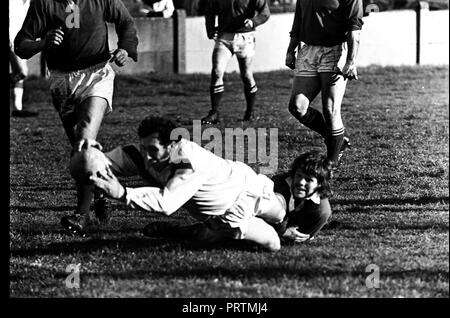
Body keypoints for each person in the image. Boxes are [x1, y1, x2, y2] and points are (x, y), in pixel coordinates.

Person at [14, 0, 139, 232]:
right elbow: (21, 45)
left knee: (84, 139)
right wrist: (43, 42)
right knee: (79, 149)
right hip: (62, 81)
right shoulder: (44, 3)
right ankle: (100, 190)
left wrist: (125, 48)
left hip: (97, 75)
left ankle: (80, 216)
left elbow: (125, 21)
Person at [88, 116, 287, 251]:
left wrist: (123, 193)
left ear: (172, 145)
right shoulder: (139, 155)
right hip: (230, 212)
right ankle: (187, 231)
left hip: (245, 182)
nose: (147, 157)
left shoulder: (187, 160)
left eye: (153, 150)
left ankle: (296, 208)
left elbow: (167, 203)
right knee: (273, 244)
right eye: (143, 148)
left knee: (281, 213)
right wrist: (88, 150)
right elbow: (94, 164)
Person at [285, 0, 364, 169]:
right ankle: (336, 141)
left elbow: (354, 29)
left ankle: (331, 163)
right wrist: (290, 50)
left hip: (335, 50)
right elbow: (298, 20)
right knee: (297, 107)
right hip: (308, 51)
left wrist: (350, 61)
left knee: (330, 110)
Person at [201, 0, 270, 124]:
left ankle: (250, 112)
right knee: (217, 72)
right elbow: (209, 11)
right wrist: (210, 30)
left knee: (247, 75)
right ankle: (214, 112)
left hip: (245, 38)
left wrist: (253, 21)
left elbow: (265, 12)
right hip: (224, 38)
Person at [271, 151, 333, 243]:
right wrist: (282, 231)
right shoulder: (277, 187)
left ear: (320, 184)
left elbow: (299, 238)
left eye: (308, 179)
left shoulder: (321, 211)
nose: (301, 182)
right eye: (299, 175)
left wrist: (294, 236)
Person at [9, 0, 38, 118]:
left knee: (18, 76)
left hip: (21, 40)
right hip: (11, 40)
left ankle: (17, 108)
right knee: (22, 72)